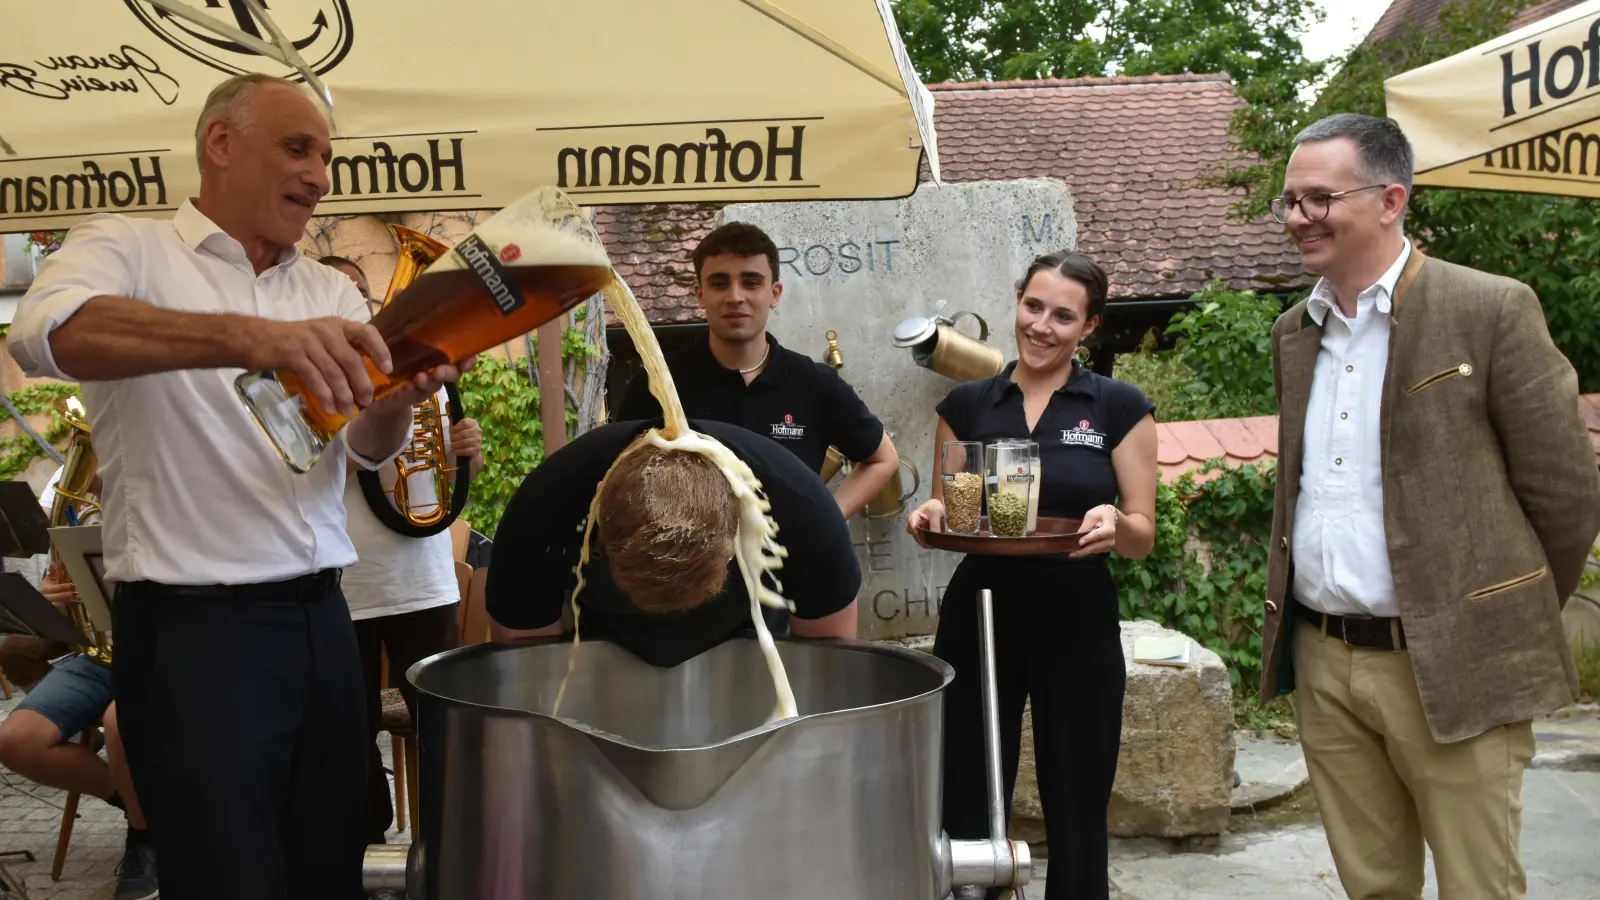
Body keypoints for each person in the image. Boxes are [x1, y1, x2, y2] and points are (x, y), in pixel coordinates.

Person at [7, 72, 468, 900]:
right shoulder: (126, 246)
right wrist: (255, 338)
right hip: (194, 631)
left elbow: (362, 452)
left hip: (328, 617)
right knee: (224, 875)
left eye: (327, 157)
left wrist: (399, 399)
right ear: (221, 144)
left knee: (332, 860)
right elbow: (52, 333)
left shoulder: (326, 287)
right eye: (298, 148)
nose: (321, 174)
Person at [1259, 113, 1600, 900]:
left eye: (1319, 197)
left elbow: (1567, 494)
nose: (1297, 217)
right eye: (1289, 200)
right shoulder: (1293, 333)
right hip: (1325, 659)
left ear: (1389, 200)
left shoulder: (1490, 308)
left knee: (1478, 888)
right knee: (1374, 890)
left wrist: (1493, 616)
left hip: (1453, 666)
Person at [906, 250, 1158, 900]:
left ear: (1090, 327)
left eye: (1064, 315)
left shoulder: (1117, 406)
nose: (1043, 325)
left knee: (1076, 798)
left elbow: (1141, 534)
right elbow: (951, 509)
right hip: (980, 615)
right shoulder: (965, 404)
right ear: (1017, 300)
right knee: (967, 789)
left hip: (1078, 616)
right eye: (1034, 306)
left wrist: (1114, 523)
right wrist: (931, 512)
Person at [319, 253, 485, 847]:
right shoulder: (317, 382)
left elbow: (448, 476)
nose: (358, 306)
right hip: (345, 584)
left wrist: (468, 450)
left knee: (440, 718)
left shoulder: (422, 378)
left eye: (361, 294)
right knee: (347, 726)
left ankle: (450, 840)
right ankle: (367, 838)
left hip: (423, 578)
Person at [486, 417, 859, 666]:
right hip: (596, 662)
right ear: (599, 504)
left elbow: (827, 666)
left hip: (751, 663)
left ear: (739, 523)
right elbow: (529, 677)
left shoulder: (804, 513)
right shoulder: (541, 517)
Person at [613, 222, 897, 519]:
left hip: (792, 564)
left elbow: (883, 459)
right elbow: (615, 474)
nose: (735, 296)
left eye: (751, 282)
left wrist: (827, 521)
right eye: (719, 283)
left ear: (775, 293)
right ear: (700, 295)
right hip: (686, 564)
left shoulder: (815, 384)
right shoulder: (658, 385)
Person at [0, 481, 157, 900]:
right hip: (97, 655)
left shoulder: (165, 492)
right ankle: (141, 810)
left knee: (119, 724)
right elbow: (63, 598)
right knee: (16, 741)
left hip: (164, 652)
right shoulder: (76, 506)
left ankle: (144, 840)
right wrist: (50, 599)